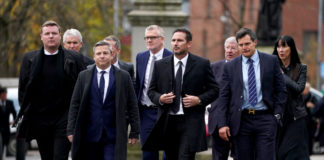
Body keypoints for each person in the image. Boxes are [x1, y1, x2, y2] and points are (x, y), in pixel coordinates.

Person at [16, 20, 89, 160]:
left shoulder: (74, 58)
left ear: (60, 36)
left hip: (65, 119)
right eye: (47, 33)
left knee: (59, 157)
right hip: (40, 119)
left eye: (54, 33)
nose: (51, 36)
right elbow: (24, 90)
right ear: (41, 36)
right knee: (46, 157)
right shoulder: (29, 59)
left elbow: (82, 87)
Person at [143, 28, 218, 160]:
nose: (175, 43)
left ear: (189, 43)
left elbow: (214, 90)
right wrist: (160, 98)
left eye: (179, 40)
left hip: (190, 123)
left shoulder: (202, 64)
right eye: (173, 40)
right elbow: (151, 91)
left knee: (185, 157)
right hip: (167, 122)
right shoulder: (160, 65)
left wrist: (199, 100)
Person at [217, 28, 287, 160]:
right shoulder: (230, 66)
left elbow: (281, 90)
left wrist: (277, 114)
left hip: (266, 119)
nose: (244, 47)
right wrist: (222, 123)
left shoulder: (271, 61)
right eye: (241, 44)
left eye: (247, 44)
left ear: (255, 42)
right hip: (241, 120)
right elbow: (224, 96)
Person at [67, 41, 140, 160]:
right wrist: (71, 130)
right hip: (89, 135)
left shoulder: (124, 76)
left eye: (105, 53)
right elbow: (75, 104)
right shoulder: (83, 76)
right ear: (94, 56)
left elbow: (132, 105)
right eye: (99, 53)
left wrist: (134, 131)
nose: (102, 56)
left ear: (112, 55)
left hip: (113, 135)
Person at [135, 25, 172, 160]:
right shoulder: (141, 57)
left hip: (166, 112)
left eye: (153, 37)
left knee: (169, 152)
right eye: (147, 37)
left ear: (162, 39)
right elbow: (138, 84)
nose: (149, 40)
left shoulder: (172, 57)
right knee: (148, 153)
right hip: (146, 112)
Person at [272, 35, 309, 159]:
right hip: (277, 118)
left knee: (292, 154)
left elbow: (299, 89)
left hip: (296, 118)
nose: (281, 50)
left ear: (291, 48)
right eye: (278, 47)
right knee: (278, 154)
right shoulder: (272, 67)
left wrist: (283, 76)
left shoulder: (301, 68)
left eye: (284, 46)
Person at [208, 36, 240, 160]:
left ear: (239, 50)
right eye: (227, 47)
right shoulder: (214, 67)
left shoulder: (244, 67)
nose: (229, 50)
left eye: (233, 48)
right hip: (217, 120)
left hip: (239, 120)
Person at [0, 87, 16, 160]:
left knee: (5, 144)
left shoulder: (10, 102)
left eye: (6, 94)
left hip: (6, 128)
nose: (5, 95)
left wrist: (14, 122)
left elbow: (14, 113)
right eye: (4, 94)